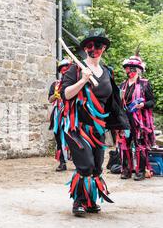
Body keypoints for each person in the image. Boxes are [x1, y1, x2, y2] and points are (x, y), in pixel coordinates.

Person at [61, 28, 129, 217]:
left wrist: (120, 125)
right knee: (85, 165)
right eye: (90, 46)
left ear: (104, 48)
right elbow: (66, 95)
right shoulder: (76, 69)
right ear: (85, 49)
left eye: (98, 45)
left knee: (97, 167)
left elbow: (112, 102)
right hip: (77, 127)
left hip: (98, 129)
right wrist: (83, 80)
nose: (94, 49)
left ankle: (91, 201)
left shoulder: (108, 72)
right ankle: (79, 202)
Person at [118, 53, 155, 180]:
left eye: (133, 68)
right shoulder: (122, 85)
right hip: (124, 120)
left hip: (139, 121)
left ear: (139, 70)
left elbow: (152, 102)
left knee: (139, 144)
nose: (130, 71)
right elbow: (117, 102)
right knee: (124, 144)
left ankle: (140, 171)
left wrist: (143, 104)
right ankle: (126, 170)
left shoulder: (145, 84)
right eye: (128, 68)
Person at [48, 58, 72, 171]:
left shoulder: (74, 83)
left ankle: (79, 162)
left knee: (74, 138)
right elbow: (49, 99)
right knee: (59, 139)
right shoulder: (55, 84)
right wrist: (55, 96)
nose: (65, 71)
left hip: (72, 115)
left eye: (67, 68)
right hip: (58, 115)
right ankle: (62, 162)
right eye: (63, 69)